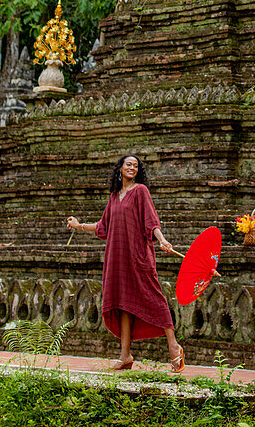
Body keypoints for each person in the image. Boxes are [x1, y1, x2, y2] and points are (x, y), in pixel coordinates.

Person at [66, 153, 184, 372]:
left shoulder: (141, 191)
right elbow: (103, 226)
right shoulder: (114, 196)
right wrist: (79, 225)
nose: (132, 168)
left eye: (136, 166)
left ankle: (174, 346)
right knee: (122, 304)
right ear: (120, 168)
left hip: (138, 256)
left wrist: (162, 239)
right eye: (128, 164)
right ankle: (125, 355)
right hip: (117, 257)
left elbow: (151, 221)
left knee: (154, 297)